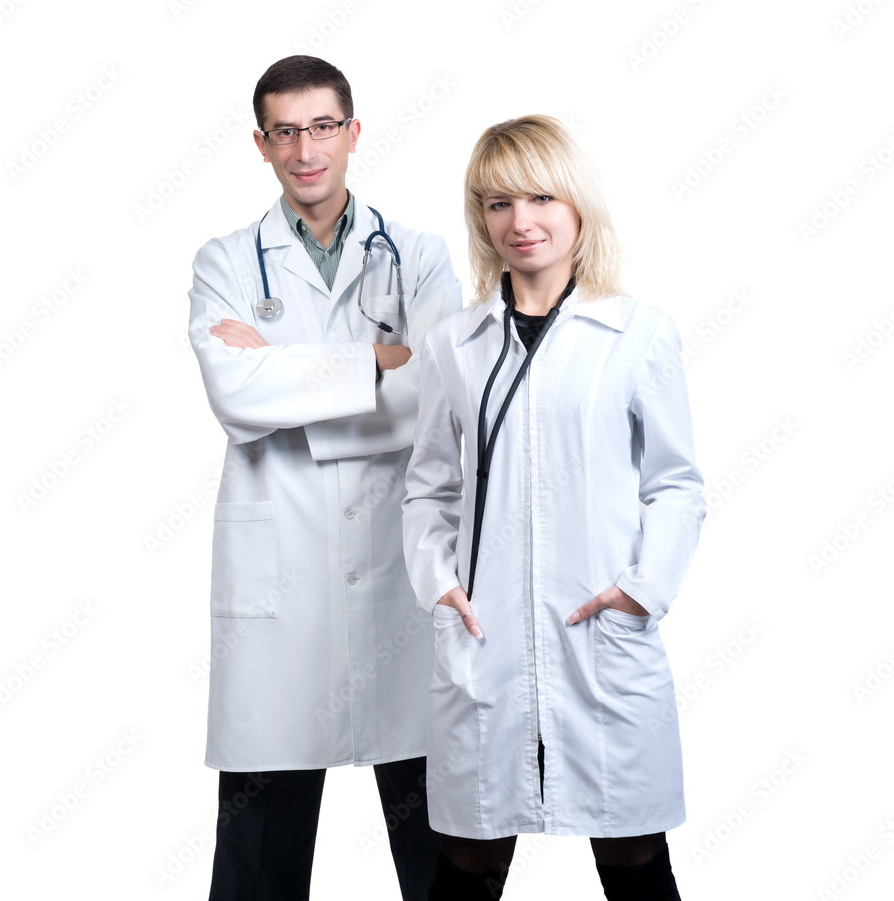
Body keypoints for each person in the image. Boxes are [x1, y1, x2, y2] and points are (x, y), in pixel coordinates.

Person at [402, 115, 707, 900]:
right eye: (497, 202)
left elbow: (675, 484)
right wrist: (440, 586)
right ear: (480, 217)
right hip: (485, 636)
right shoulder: (454, 345)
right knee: (469, 858)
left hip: (600, 634)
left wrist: (640, 590)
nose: (521, 221)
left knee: (632, 852)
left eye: (541, 196)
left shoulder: (636, 336)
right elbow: (429, 486)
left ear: (577, 207)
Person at [188, 55, 462, 901]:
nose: (305, 149)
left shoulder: (418, 254)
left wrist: (292, 385)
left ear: (352, 131)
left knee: (444, 855)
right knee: (257, 865)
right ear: (262, 145)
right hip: (282, 592)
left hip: (400, 575)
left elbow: (441, 396)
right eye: (285, 131)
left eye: (321, 127)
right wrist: (379, 362)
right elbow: (237, 397)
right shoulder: (227, 260)